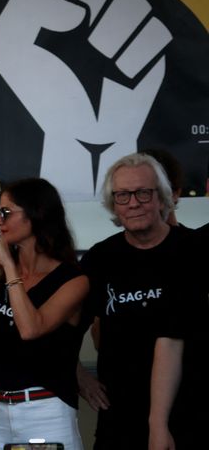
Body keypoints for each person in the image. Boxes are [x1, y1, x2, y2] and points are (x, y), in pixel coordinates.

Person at [0, 178, 88, 449]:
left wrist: (8, 266)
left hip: (43, 407)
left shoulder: (73, 279)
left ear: (37, 214)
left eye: (6, 212)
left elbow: (30, 328)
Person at [79, 153, 198, 449]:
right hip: (119, 418)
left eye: (143, 193)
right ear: (113, 204)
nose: (133, 203)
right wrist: (79, 377)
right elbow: (61, 330)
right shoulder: (99, 259)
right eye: (122, 195)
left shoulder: (195, 251)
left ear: (162, 198)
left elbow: (172, 340)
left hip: (193, 413)